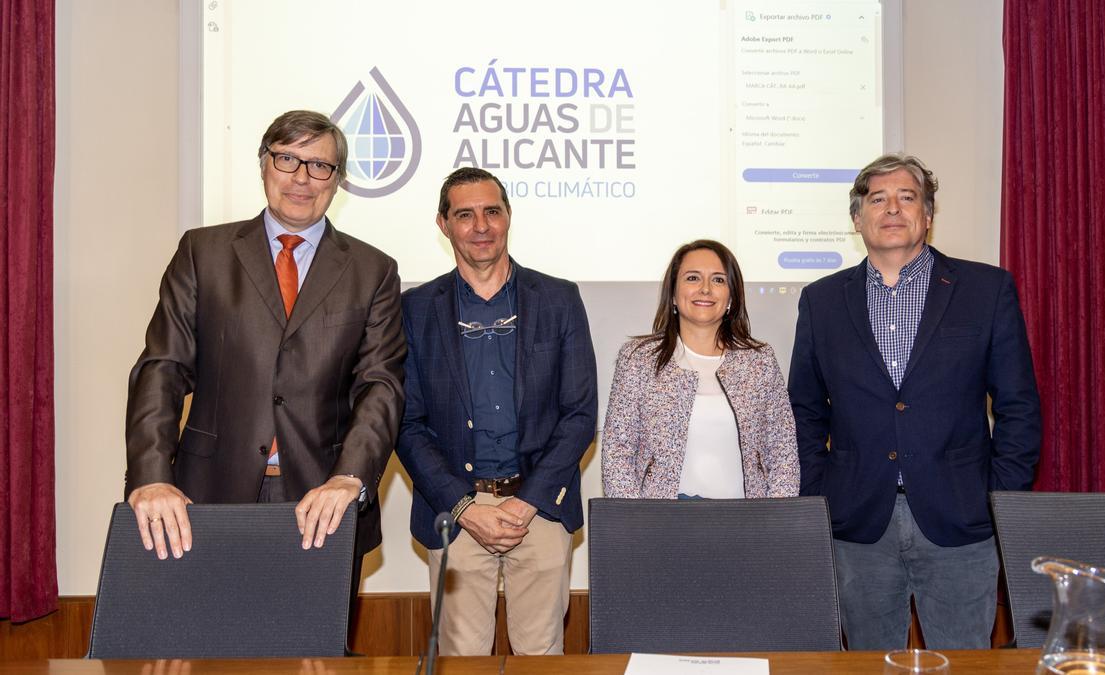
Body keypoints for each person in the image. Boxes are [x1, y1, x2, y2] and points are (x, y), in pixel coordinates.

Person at [125, 110, 406, 595]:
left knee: (313, 661)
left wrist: (350, 478)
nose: (302, 178)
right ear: (263, 165)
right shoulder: (203, 252)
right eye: (287, 159)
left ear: (337, 181)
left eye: (320, 166)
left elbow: (380, 386)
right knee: (208, 656)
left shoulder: (372, 269)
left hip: (323, 502)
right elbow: (162, 368)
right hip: (206, 497)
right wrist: (149, 476)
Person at [788, 153, 1041, 650]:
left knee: (964, 662)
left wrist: (997, 497)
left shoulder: (985, 289)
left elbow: (1019, 405)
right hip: (858, 523)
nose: (892, 209)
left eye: (907, 197)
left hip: (961, 519)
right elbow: (804, 410)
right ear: (857, 218)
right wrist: (821, 494)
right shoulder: (821, 300)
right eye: (877, 199)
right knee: (866, 663)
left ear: (927, 214)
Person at [396, 167, 597, 656]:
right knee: (460, 659)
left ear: (508, 217)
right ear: (444, 225)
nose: (480, 226)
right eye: (464, 215)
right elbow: (406, 423)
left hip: (541, 509)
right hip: (456, 512)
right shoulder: (413, 308)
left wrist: (527, 502)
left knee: (541, 656)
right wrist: (467, 509)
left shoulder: (559, 298)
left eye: (492, 212)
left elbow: (579, 414)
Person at [601, 240, 799, 499]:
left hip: (748, 523)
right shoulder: (638, 360)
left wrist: (777, 520)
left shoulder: (759, 361)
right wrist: (640, 525)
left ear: (732, 296)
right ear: (673, 293)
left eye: (718, 280)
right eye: (693, 278)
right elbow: (617, 451)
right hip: (662, 525)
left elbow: (782, 448)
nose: (705, 289)